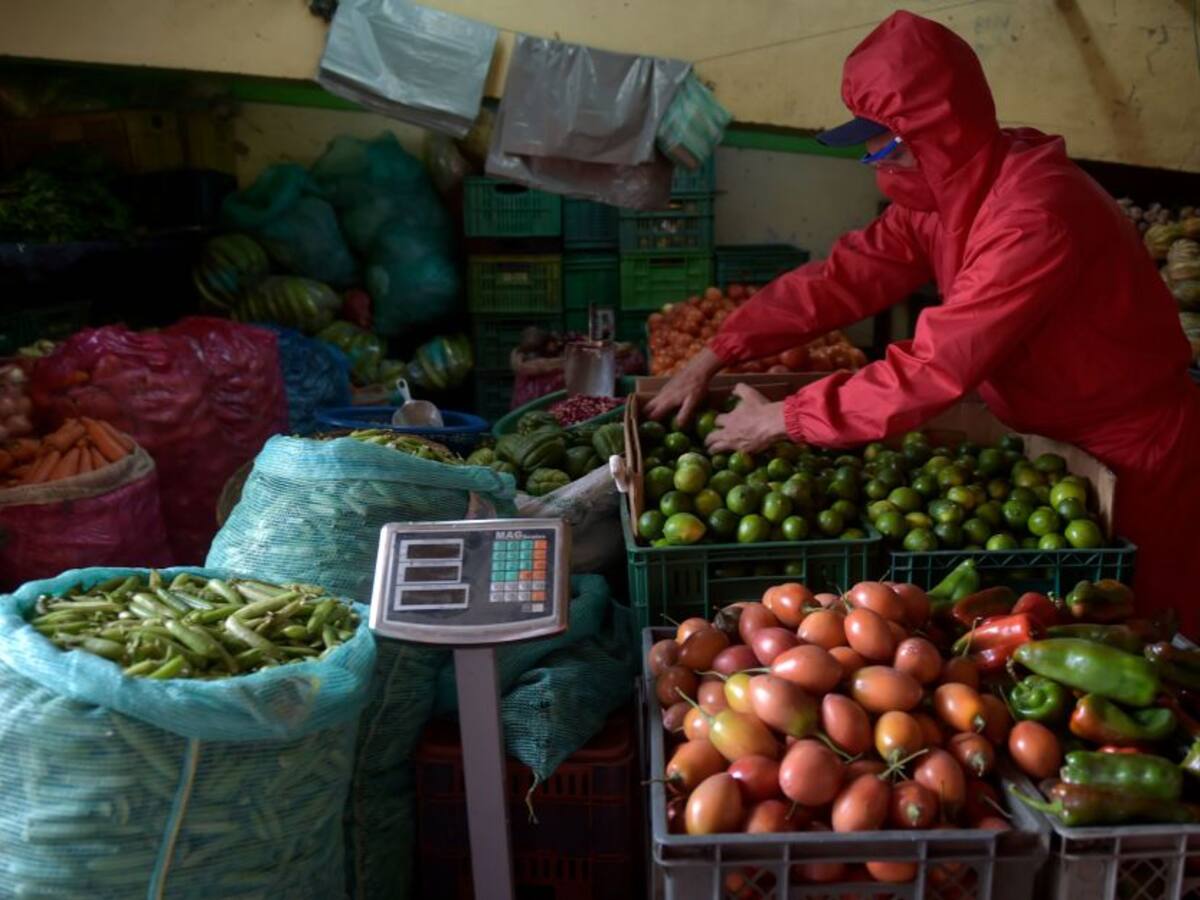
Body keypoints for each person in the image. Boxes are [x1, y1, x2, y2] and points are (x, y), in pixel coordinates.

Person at [647, 11, 1200, 633]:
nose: (873, 159)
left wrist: (786, 417)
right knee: (1082, 622)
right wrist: (719, 351)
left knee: (1155, 631)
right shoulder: (947, 189)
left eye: (884, 144)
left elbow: (939, 365)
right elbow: (846, 276)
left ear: (934, 135)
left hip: (1133, 447)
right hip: (1054, 443)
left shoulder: (1032, 215)